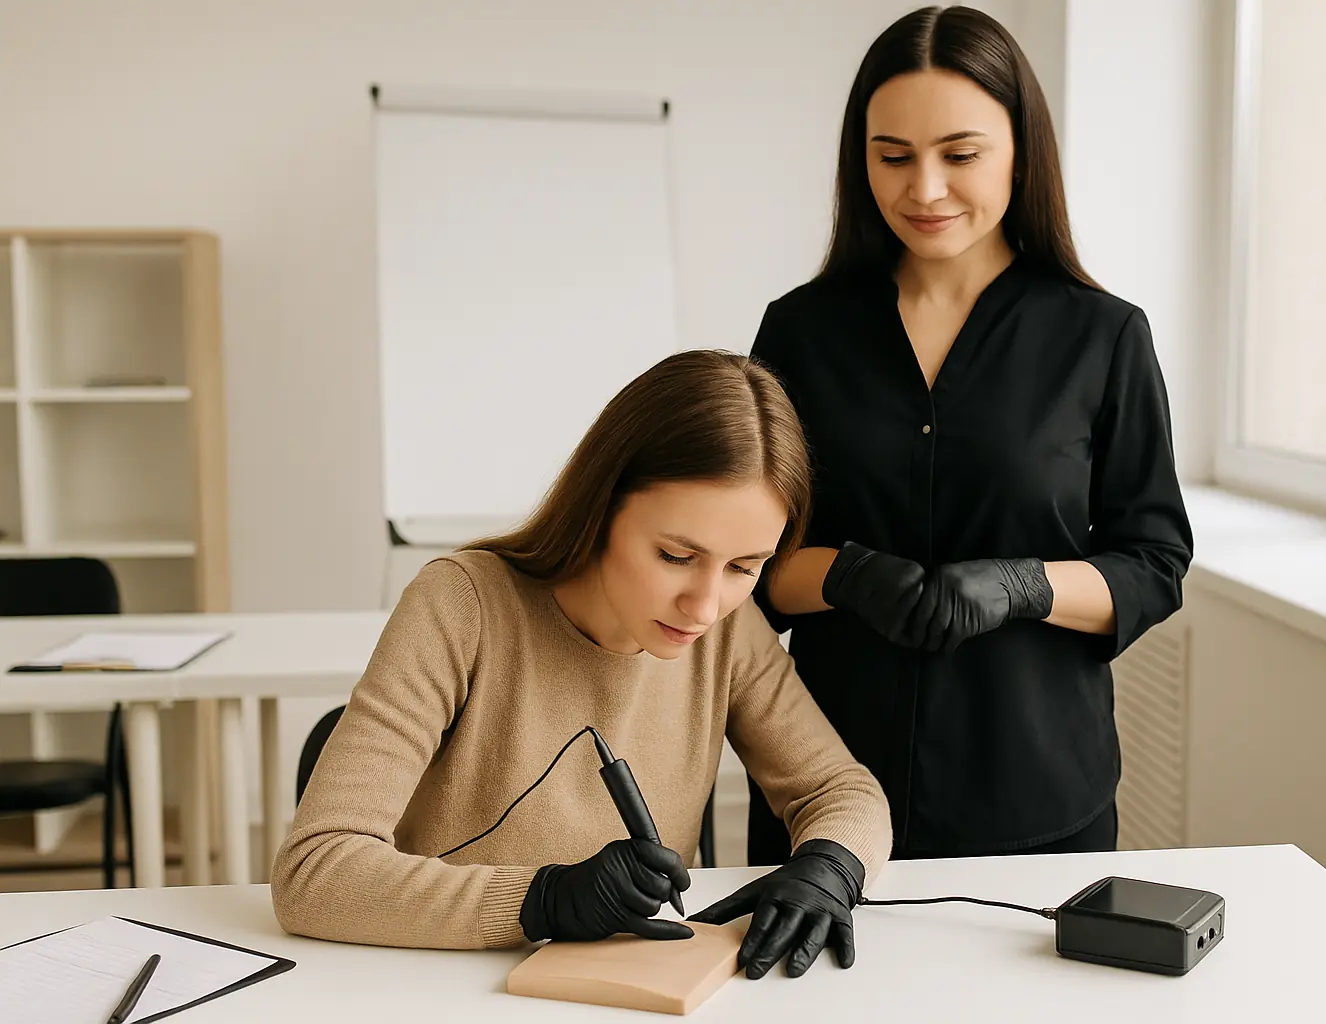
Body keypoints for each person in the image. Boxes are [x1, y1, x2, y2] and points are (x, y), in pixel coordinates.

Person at [271, 350, 892, 981]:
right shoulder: (462, 603)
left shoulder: (730, 631)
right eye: (676, 556)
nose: (705, 605)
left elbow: (842, 790)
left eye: (744, 568)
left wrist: (832, 864)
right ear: (602, 508)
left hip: (623, 993)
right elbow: (315, 869)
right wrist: (541, 902)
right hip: (434, 987)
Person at [746, 6, 1193, 865]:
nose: (924, 190)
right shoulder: (800, 333)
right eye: (893, 157)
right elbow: (750, 565)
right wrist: (846, 576)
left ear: (1020, 150)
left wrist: (1025, 585)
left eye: (959, 155)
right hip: (824, 792)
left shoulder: (1101, 337)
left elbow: (1153, 565)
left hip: (1037, 794)